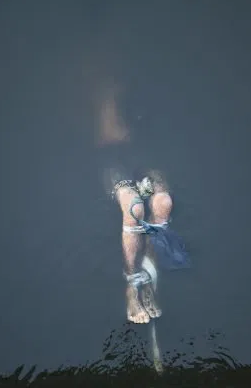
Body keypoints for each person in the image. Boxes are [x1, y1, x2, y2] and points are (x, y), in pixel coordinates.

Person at [96, 87, 186, 324]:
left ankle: (149, 279)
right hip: (113, 160)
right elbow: (104, 140)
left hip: (145, 158)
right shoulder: (104, 92)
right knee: (134, 206)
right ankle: (132, 285)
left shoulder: (145, 93)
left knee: (163, 203)